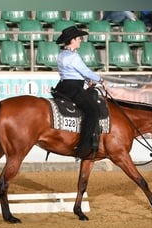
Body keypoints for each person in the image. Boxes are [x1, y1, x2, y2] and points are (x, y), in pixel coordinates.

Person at [54, 25, 105, 159]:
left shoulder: (62, 55)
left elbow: (73, 72)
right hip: (74, 89)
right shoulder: (73, 57)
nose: (80, 40)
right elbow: (85, 71)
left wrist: (87, 80)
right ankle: (84, 147)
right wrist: (100, 80)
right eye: (78, 38)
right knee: (92, 111)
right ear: (72, 40)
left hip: (63, 86)